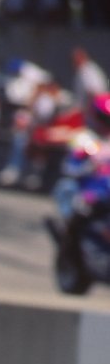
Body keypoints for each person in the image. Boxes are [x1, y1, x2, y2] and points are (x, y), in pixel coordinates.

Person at [46, 92, 110, 259]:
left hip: (107, 190)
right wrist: (90, 166)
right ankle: (69, 239)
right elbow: (70, 167)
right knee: (72, 196)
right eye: (104, 118)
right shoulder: (85, 139)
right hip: (90, 190)